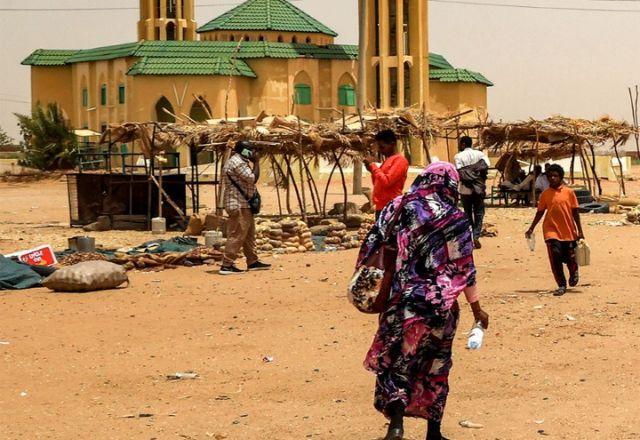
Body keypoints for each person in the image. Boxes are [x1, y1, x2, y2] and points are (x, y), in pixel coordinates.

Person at [357, 162, 490, 440]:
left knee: (398, 363)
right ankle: (434, 432)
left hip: (401, 304)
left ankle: (396, 425)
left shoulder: (397, 207)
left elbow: (371, 246)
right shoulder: (455, 218)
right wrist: (478, 310)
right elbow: (464, 268)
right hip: (440, 308)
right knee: (436, 366)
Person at [525, 164, 585, 296]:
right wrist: (531, 228)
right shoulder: (545, 194)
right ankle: (561, 285)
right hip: (551, 231)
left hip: (568, 231)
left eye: (555, 176)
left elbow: (575, 212)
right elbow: (540, 212)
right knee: (555, 256)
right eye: (550, 176)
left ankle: (574, 272)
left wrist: (580, 231)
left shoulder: (569, 192)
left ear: (560, 177)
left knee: (570, 257)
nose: (552, 178)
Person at [219, 141, 271, 275]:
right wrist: (257, 162)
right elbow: (252, 178)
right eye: (250, 150)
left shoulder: (239, 161)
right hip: (238, 203)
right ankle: (227, 264)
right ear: (243, 150)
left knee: (248, 235)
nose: (253, 152)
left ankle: (252, 261)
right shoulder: (238, 162)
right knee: (237, 234)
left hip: (244, 203)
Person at [363, 130, 409, 220]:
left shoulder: (400, 160)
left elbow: (387, 181)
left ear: (392, 144)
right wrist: (372, 170)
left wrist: (373, 166)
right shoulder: (387, 161)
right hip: (381, 207)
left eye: (382, 147)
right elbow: (378, 183)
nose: (380, 151)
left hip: (391, 207)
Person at [454, 136, 490, 249]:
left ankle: (470, 236)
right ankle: (476, 235)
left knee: (468, 213)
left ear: (463, 144)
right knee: (479, 213)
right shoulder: (480, 155)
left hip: (465, 190)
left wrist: (468, 172)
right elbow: (486, 165)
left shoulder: (458, 156)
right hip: (478, 189)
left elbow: (460, 171)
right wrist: (475, 172)